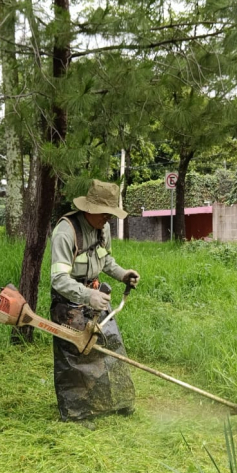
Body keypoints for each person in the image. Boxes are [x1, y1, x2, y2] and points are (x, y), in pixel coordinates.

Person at [50, 179, 141, 427]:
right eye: (105, 213)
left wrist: (123, 274)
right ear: (89, 209)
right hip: (68, 303)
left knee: (111, 345)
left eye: (112, 214)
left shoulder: (103, 228)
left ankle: (117, 401)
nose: (109, 219)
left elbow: (105, 259)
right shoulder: (65, 232)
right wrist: (86, 296)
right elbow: (58, 279)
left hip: (95, 297)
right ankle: (77, 413)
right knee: (78, 356)